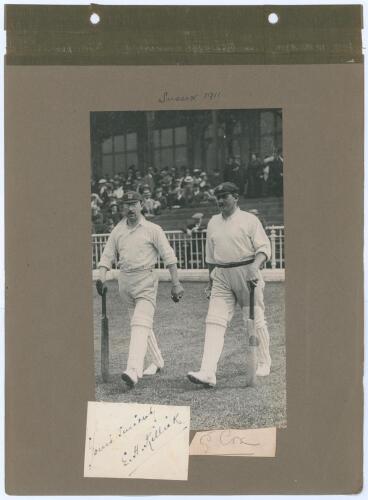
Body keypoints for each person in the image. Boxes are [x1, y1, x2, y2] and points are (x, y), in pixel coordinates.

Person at [96, 191, 184, 388]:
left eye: (133, 203)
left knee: (139, 323)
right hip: (125, 282)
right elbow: (107, 256)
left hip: (146, 279)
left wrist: (176, 283)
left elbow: (169, 256)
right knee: (141, 325)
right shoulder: (117, 231)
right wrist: (101, 278)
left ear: (141, 205)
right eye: (126, 204)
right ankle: (157, 361)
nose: (130, 208)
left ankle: (133, 370)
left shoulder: (153, 229)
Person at [187, 182, 272, 387]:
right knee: (214, 320)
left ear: (235, 197)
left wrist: (254, 267)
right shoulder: (213, 222)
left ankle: (264, 362)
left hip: (247, 273)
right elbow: (210, 257)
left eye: (224, 196)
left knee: (254, 320)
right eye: (218, 197)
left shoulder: (249, 220)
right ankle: (208, 372)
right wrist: (210, 280)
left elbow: (264, 248)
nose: (220, 200)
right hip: (222, 276)